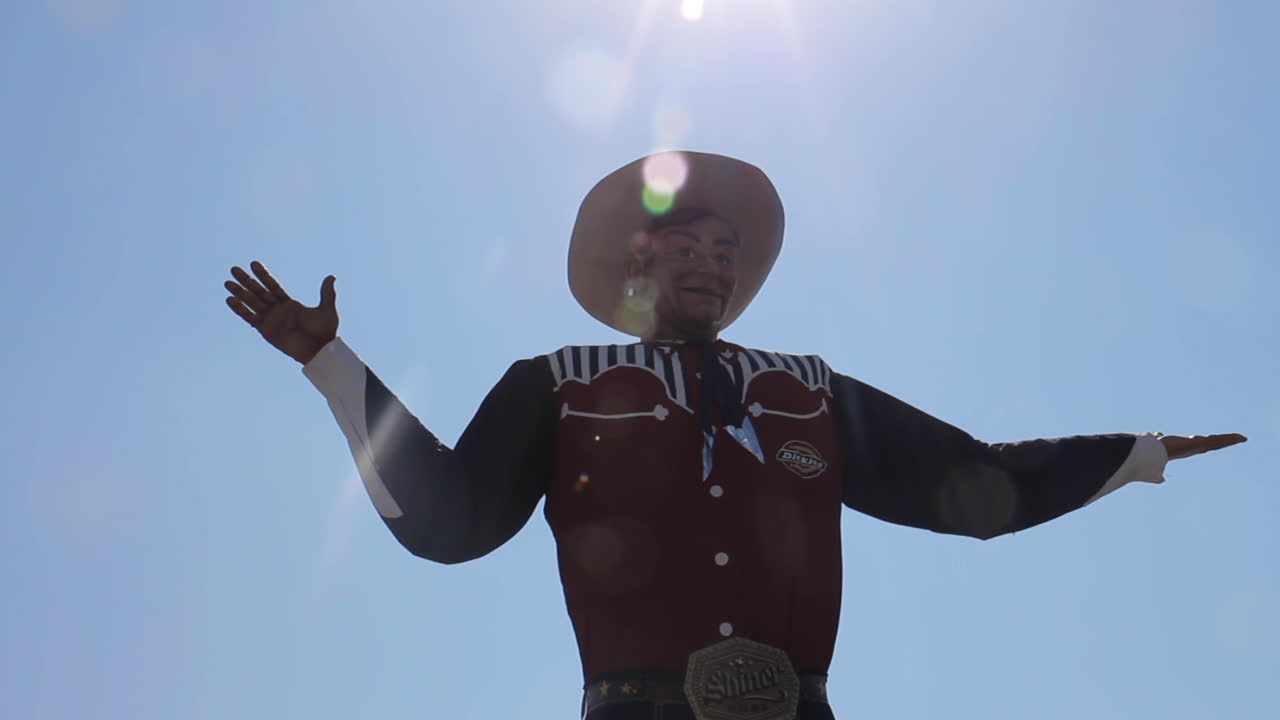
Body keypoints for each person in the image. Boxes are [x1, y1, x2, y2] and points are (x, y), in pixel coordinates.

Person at [224, 151, 1245, 720]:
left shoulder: (804, 388)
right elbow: (448, 520)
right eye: (688, 247)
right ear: (641, 261)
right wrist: (329, 363)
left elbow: (972, 486)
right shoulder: (558, 385)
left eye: (728, 251)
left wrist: (1135, 455)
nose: (713, 265)